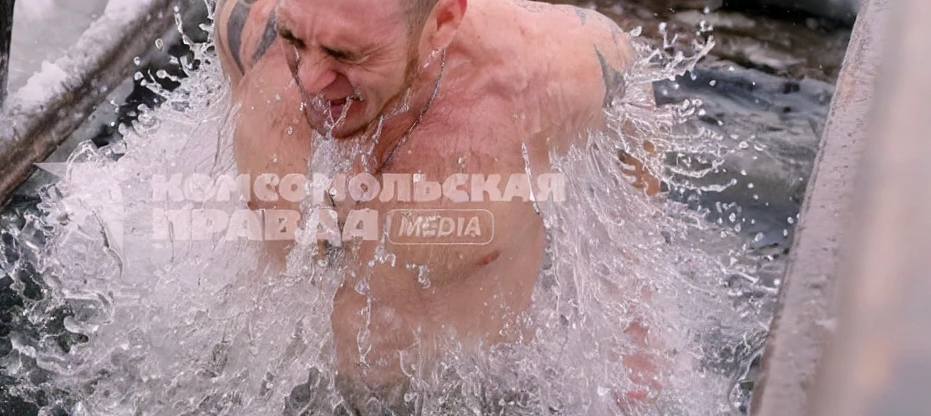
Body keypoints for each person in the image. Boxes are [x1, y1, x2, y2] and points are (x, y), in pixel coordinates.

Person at [214, 0, 659, 411]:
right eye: (293, 38)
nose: (309, 81)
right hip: (286, 384)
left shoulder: (545, 78)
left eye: (344, 54)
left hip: (485, 394)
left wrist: (632, 323)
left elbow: (634, 105)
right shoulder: (249, 32)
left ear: (442, 23)